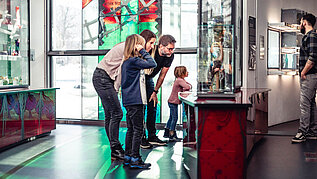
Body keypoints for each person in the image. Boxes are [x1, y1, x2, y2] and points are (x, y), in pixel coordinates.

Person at [92, 29, 157, 160]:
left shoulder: (130, 51)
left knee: (111, 114)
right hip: (103, 78)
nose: (151, 47)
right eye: (150, 43)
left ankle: (115, 148)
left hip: (105, 77)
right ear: (139, 43)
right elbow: (121, 74)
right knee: (116, 113)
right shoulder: (127, 50)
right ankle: (115, 149)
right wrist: (117, 92)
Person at [121, 34, 157, 169]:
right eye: (141, 44)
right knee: (138, 130)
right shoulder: (134, 61)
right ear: (136, 46)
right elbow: (152, 63)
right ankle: (135, 158)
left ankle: (128, 156)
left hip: (129, 101)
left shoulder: (126, 62)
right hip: (136, 101)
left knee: (131, 129)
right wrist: (142, 51)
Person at [141, 34, 177, 148]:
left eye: (173, 49)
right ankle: (141, 138)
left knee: (153, 106)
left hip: (150, 80)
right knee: (141, 108)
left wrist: (155, 92)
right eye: (169, 49)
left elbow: (162, 75)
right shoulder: (152, 49)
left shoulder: (170, 56)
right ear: (161, 46)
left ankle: (152, 136)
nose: (171, 51)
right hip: (140, 79)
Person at [292, 13, 317, 143]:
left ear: (305, 22)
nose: (300, 24)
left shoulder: (312, 35)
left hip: (309, 75)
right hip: (310, 75)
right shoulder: (308, 36)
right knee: (311, 103)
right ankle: (313, 132)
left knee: (305, 104)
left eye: (301, 21)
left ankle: (302, 132)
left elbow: (313, 57)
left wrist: (303, 72)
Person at [163, 66, 191, 141]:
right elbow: (187, 86)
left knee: (172, 117)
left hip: (172, 101)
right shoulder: (179, 80)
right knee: (175, 118)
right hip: (173, 102)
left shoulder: (179, 80)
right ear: (182, 73)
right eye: (186, 71)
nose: (188, 72)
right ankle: (172, 134)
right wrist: (187, 85)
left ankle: (167, 132)